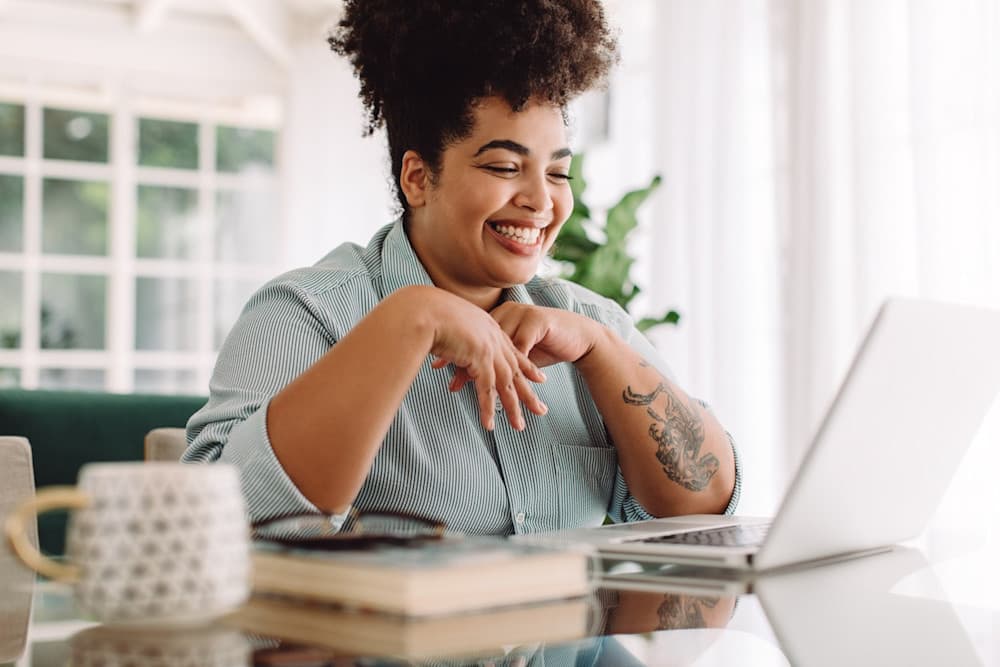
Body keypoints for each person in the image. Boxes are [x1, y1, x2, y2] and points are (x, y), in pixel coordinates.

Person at [184, 0, 740, 534]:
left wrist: (602, 353)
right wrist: (410, 320)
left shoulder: (587, 325)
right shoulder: (305, 314)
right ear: (418, 178)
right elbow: (214, 526)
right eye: (504, 166)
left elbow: (704, 507)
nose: (541, 201)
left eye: (557, 173)